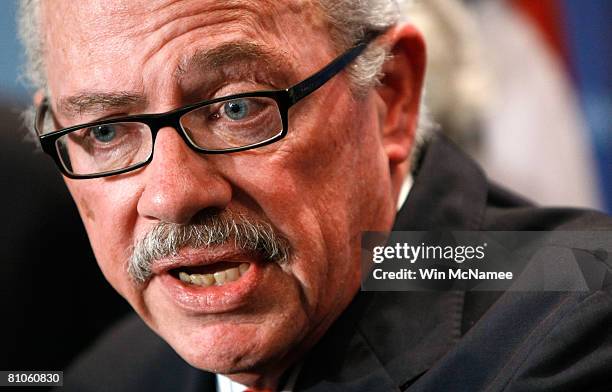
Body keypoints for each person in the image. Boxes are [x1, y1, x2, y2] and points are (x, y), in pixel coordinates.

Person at [17, 0, 612, 391]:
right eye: (103, 131)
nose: (172, 196)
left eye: (238, 108)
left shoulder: (577, 317)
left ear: (390, 97)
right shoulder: (107, 377)